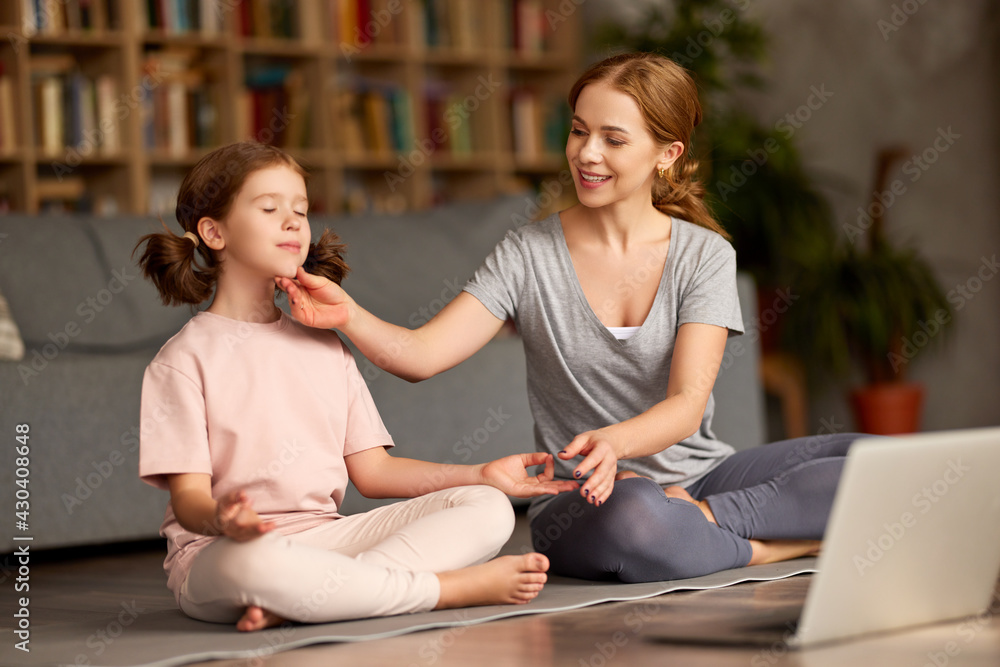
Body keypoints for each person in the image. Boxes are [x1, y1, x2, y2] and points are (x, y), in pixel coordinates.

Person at [276, 53, 861, 583]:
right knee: (636, 516)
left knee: (870, 459)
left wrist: (624, 448)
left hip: (701, 478)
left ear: (667, 153)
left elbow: (687, 404)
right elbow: (422, 356)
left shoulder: (704, 255)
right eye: (579, 131)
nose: (587, 153)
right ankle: (772, 549)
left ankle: (709, 521)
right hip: (585, 501)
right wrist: (347, 314)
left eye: (613, 138)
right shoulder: (528, 254)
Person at [134, 141, 577, 632]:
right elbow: (188, 503)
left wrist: (482, 474)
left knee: (488, 507)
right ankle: (445, 590)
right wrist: (224, 520)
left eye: (300, 210)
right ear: (214, 232)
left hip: (327, 539)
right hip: (224, 554)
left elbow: (374, 472)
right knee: (256, 565)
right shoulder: (181, 361)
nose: (293, 222)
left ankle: (319, 597)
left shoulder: (326, 345)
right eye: (269, 208)